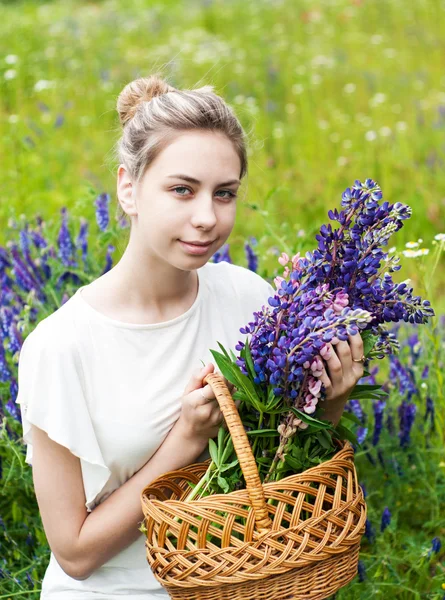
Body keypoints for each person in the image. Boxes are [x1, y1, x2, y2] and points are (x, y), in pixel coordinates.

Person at [15, 73, 365, 599]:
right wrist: (186, 440)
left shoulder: (247, 297)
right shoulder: (63, 346)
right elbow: (75, 552)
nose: (207, 218)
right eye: (182, 190)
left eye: (224, 194)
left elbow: (282, 473)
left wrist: (330, 403)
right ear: (128, 188)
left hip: (244, 584)